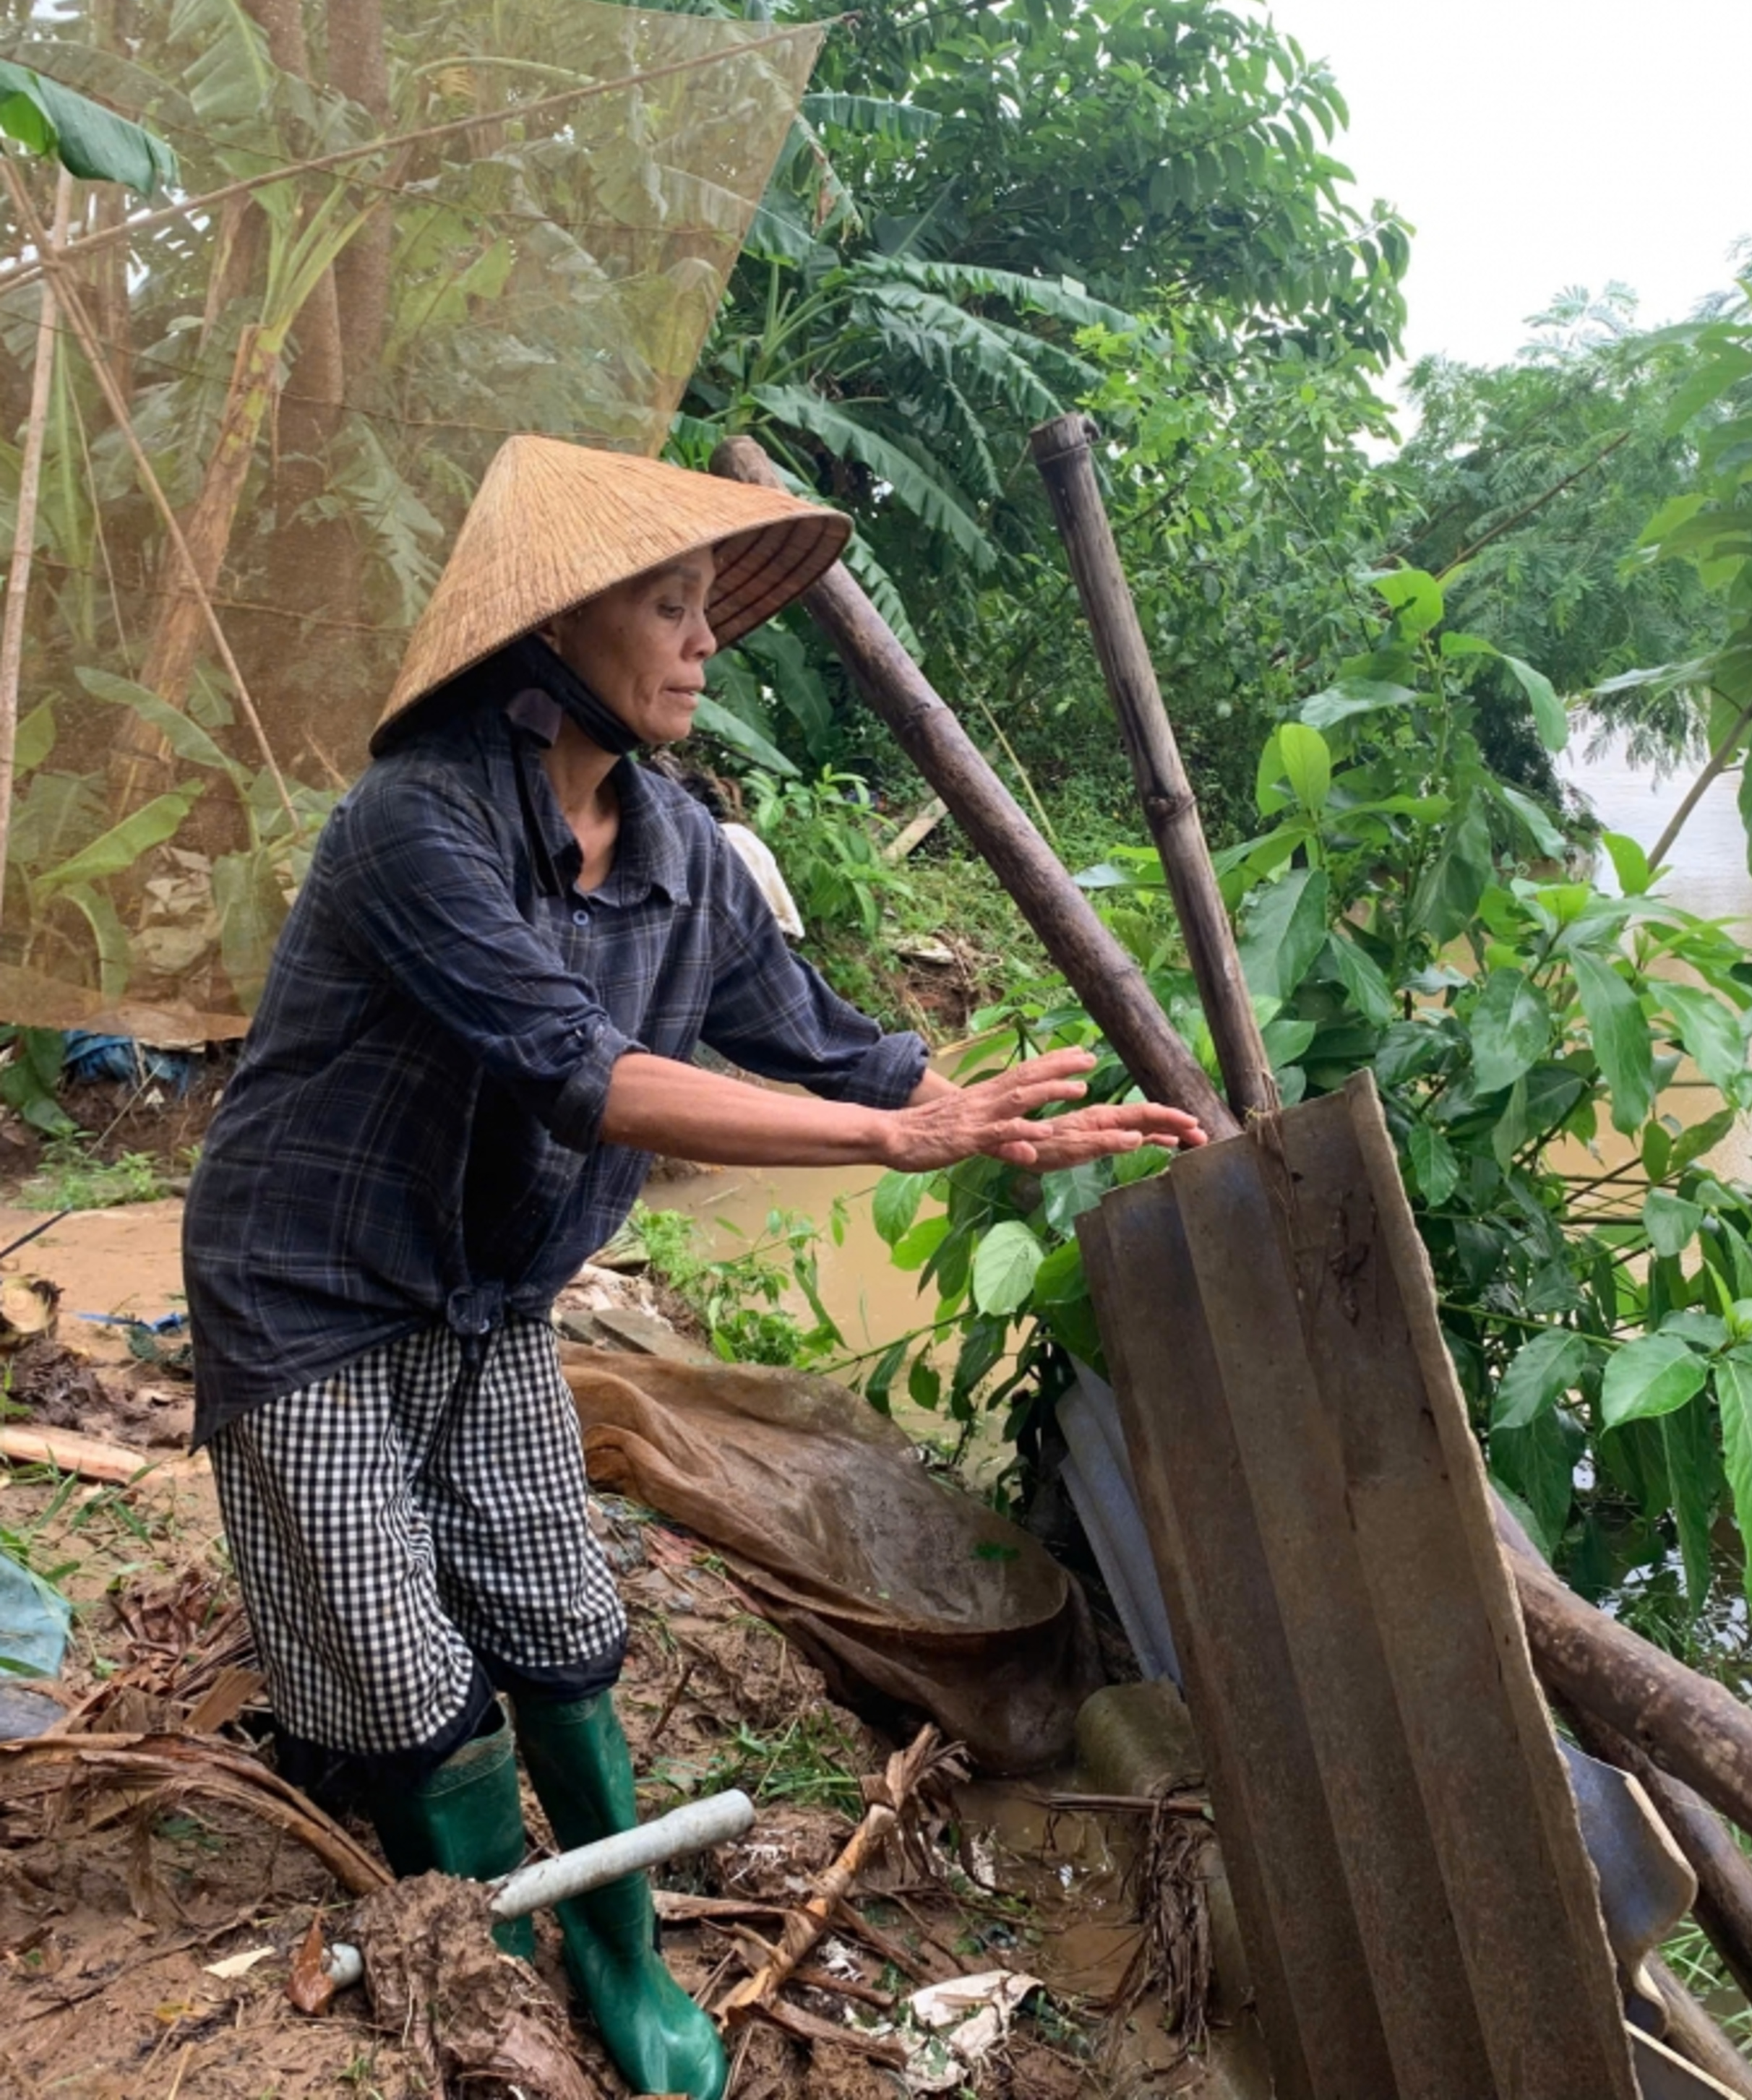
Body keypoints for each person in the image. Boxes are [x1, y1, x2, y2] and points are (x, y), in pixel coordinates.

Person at [180, 436, 1203, 2100]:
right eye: (665, 606)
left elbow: (813, 1039)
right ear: (554, 633)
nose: (704, 640)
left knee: (562, 1618)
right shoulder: (411, 827)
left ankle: (619, 1946)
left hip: (490, 1290)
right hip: (311, 1283)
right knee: (397, 1658)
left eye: (707, 607)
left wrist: (964, 1112)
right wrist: (894, 1149)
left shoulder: (682, 850)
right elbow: (576, 1068)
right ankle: (497, 1951)